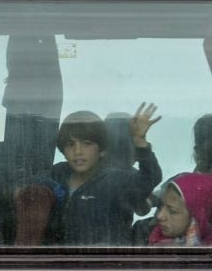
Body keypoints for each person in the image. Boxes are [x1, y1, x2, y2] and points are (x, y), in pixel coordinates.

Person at [48, 103, 162, 246]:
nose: (78, 151)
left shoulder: (116, 180)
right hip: (60, 261)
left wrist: (140, 142)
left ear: (102, 149)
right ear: (63, 149)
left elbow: (150, 177)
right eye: (70, 144)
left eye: (87, 143)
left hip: (104, 260)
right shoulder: (57, 174)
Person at [148, 172, 212, 246]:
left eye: (172, 211)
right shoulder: (152, 236)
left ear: (199, 217)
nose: (160, 216)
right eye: (162, 206)